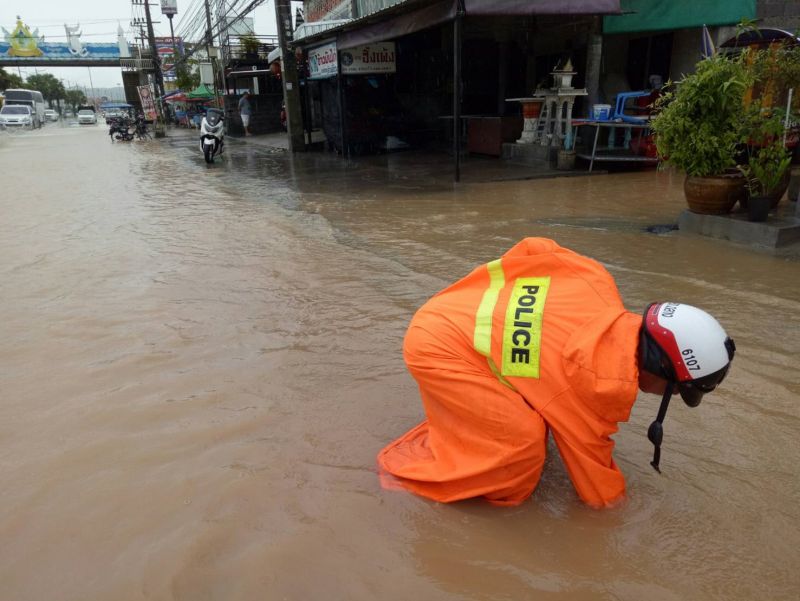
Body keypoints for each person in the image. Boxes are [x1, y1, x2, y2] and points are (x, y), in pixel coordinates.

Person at [377, 238, 735, 508]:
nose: (664, 396)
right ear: (661, 370)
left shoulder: (596, 281)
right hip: (437, 348)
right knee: (522, 452)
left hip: (452, 304)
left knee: (536, 413)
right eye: (675, 391)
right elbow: (596, 484)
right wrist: (626, 522)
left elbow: (535, 247)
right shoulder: (597, 383)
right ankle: (404, 476)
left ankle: (465, 432)